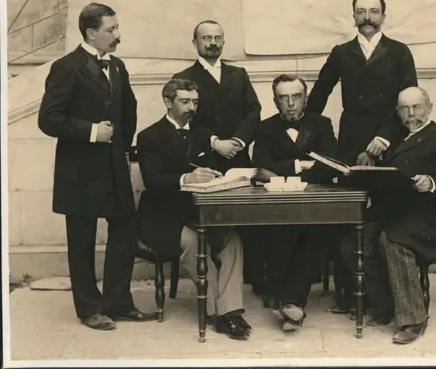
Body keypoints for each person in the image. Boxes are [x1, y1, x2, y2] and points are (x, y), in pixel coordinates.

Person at [38, 3, 156, 330]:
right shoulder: (66, 67)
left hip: (114, 168)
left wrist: (119, 145)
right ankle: (89, 308)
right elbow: (48, 119)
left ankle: (118, 302)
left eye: (117, 28)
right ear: (92, 33)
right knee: (82, 240)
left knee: (124, 232)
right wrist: (93, 132)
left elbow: (128, 111)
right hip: (80, 172)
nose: (118, 35)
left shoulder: (117, 66)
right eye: (111, 29)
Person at [306, 0, 418, 312]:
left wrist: (384, 138)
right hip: (350, 145)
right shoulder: (342, 53)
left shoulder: (399, 52)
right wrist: (315, 139)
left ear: (384, 15)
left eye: (373, 11)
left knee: (385, 213)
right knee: (348, 214)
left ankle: (385, 295)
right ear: (353, 16)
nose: (367, 17)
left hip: (390, 143)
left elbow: (408, 101)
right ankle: (348, 296)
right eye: (361, 11)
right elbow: (318, 97)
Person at [339, 87, 436, 344]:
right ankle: (385, 304)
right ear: (397, 112)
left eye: (417, 107)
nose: (411, 114)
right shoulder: (395, 140)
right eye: (404, 109)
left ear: (429, 107)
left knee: (392, 240)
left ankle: (413, 318)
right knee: (351, 243)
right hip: (394, 212)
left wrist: (430, 182)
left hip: (430, 217)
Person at [136, 78, 251, 340]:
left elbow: (212, 174)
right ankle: (220, 314)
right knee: (195, 244)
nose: (191, 107)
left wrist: (219, 178)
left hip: (199, 214)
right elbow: (153, 182)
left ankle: (229, 311)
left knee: (232, 240)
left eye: (195, 102)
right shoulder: (148, 136)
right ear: (168, 102)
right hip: (161, 219)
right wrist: (186, 179)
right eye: (184, 101)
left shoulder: (203, 134)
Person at [171, 20, 267, 299]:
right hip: (204, 161)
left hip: (239, 157)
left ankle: (255, 279)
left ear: (223, 42)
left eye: (217, 38)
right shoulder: (184, 77)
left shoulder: (239, 74)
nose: (212, 43)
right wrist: (215, 142)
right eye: (206, 38)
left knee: (252, 218)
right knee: (213, 222)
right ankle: (216, 288)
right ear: (195, 43)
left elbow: (254, 111)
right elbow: (188, 119)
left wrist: (238, 141)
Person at [251, 74, 339, 331]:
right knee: (278, 233)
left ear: (306, 98)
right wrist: (299, 165)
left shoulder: (322, 123)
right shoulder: (265, 127)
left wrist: (284, 172)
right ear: (275, 101)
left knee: (314, 235)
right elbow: (261, 165)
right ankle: (291, 304)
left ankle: (289, 302)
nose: (290, 103)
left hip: (316, 201)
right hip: (278, 203)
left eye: (296, 97)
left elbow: (331, 164)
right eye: (283, 98)